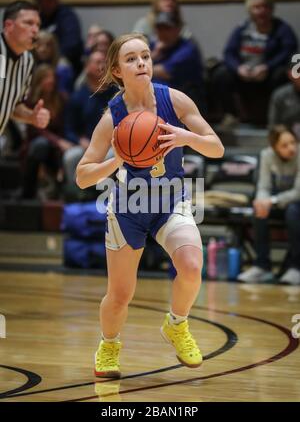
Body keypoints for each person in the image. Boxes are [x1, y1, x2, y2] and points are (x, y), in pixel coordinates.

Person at [76, 33, 224, 378]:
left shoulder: (174, 100)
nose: (141, 63)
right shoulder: (112, 117)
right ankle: (109, 345)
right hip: (129, 208)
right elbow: (82, 176)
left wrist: (187, 137)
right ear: (117, 70)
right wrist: (116, 160)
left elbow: (216, 148)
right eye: (131, 59)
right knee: (120, 294)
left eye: (145, 56)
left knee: (191, 265)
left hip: (170, 201)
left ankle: (177, 324)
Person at [212, 0, 298, 124]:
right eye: (257, 7)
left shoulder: (282, 29)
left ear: (271, 9)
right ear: (250, 10)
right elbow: (229, 53)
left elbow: (289, 52)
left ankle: (273, 120)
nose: (262, 11)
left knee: (281, 75)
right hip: (244, 73)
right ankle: (231, 116)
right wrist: (238, 68)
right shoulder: (242, 28)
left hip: (268, 73)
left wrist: (267, 67)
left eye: (265, 7)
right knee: (221, 74)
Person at [238, 125, 300, 285]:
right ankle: (262, 266)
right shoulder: (266, 155)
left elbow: (298, 192)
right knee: (258, 211)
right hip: (279, 201)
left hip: (296, 203)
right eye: (285, 145)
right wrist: (261, 202)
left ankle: (296, 267)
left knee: (293, 212)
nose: (291, 148)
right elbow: (263, 187)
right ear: (274, 147)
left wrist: (271, 201)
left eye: (293, 142)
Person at [63, 51, 117, 189]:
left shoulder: (116, 95)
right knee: (70, 157)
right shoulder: (77, 97)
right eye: (97, 62)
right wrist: (79, 141)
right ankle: (77, 195)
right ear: (87, 67)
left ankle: (105, 196)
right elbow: (68, 129)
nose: (102, 66)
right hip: (85, 145)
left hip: (112, 144)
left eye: (104, 62)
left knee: (110, 156)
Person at [0, 0, 50, 138]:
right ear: (9, 25)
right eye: (28, 23)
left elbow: (12, 105)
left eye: (38, 25)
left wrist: (31, 117)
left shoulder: (27, 60)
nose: (35, 30)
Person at [22, 64, 68, 199]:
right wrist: (58, 142)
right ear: (38, 81)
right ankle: (29, 191)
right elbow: (35, 130)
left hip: (58, 144)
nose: (50, 80)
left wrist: (62, 142)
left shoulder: (61, 98)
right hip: (36, 143)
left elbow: (64, 126)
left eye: (51, 77)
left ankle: (61, 191)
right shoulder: (30, 100)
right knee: (40, 145)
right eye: (46, 77)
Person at [150, 12, 205, 112]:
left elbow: (165, 72)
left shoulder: (188, 49)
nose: (162, 32)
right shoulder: (154, 46)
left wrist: (140, 70)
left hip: (185, 100)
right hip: (157, 98)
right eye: (159, 28)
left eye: (167, 28)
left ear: (178, 29)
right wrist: (154, 54)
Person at [34, 0, 84, 76]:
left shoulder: (67, 16)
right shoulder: (36, 17)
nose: (45, 4)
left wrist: (55, 57)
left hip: (62, 61)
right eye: (41, 1)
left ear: (55, 0)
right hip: (39, 63)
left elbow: (72, 44)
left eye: (49, 0)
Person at [33, 30, 74, 96]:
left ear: (54, 47)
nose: (43, 49)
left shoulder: (62, 68)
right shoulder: (29, 63)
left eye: (48, 45)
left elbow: (63, 96)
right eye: (39, 44)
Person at [268, 59, 300, 140]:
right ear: (290, 74)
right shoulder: (280, 95)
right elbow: (273, 125)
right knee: (267, 152)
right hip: (287, 141)